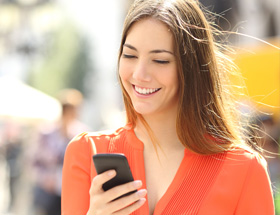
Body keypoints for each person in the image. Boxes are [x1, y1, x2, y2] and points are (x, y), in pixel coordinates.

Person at [62, 0, 275, 214]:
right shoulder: (86, 152)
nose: (139, 74)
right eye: (130, 55)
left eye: (160, 60)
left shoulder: (244, 169)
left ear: (192, 69)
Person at [32, 89, 88, 215]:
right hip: (48, 191)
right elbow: (34, 161)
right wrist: (45, 178)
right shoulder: (46, 133)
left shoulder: (82, 134)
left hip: (72, 190)